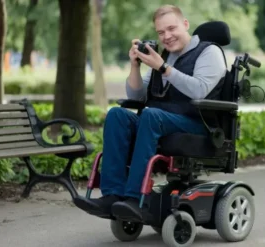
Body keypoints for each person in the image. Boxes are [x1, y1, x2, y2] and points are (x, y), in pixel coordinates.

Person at [75, 4, 227, 217]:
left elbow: (199, 90)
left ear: (185, 25)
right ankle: (112, 196)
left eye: (172, 29)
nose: (167, 36)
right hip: (157, 120)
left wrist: (163, 68)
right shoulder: (164, 55)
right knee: (116, 114)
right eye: (161, 32)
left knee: (151, 115)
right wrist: (136, 66)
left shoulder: (209, 52)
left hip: (196, 123)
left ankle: (136, 198)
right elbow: (136, 96)